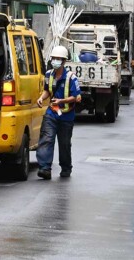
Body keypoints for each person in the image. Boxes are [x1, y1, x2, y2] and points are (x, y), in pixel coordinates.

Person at [35, 45, 82, 180]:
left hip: (66, 115)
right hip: (52, 113)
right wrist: (41, 98)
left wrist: (61, 101)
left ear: (64, 61)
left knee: (64, 144)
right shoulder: (49, 75)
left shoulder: (71, 78)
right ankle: (44, 168)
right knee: (46, 138)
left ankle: (66, 168)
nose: (55, 61)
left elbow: (76, 97)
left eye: (58, 59)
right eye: (53, 58)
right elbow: (47, 90)